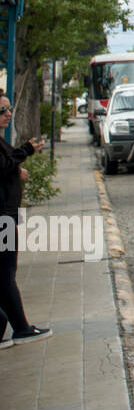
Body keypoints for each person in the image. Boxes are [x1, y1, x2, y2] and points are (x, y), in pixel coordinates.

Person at [0, 95, 52, 347]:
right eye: (2, 110)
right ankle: (20, 327)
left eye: (9, 108)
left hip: (8, 214)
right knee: (5, 273)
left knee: (6, 273)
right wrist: (26, 151)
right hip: (2, 218)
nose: (8, 114)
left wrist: (17, 167)